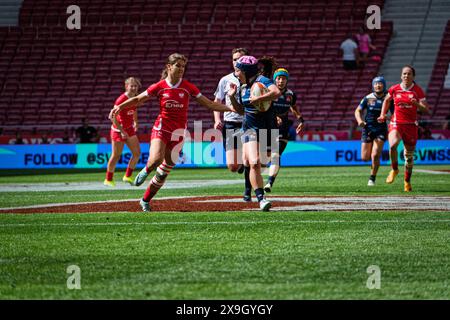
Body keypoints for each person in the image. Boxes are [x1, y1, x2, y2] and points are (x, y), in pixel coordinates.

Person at [109, 53, 233, 212]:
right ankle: (146, 170)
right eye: (178, 66)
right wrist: (120, 106)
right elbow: (138, 99)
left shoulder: (188, 87)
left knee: (164, 171)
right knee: (155, 160)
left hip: (179, 133)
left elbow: (209, 104)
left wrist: (230, 108)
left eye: (183, 66)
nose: (181, 69)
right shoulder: (159, 86)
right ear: (169, 67)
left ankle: (145, 200)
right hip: (162, 128)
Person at [228, 55, 281, 211]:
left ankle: (247, 171)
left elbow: (276, 92)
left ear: (246, 71)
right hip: (250, 128)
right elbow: (241, 111)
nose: (236, 73)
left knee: (263, 162)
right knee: (255, 162)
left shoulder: (262, 80)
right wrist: (232, 98)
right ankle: (261, 198)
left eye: (238, 70)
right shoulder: (242, 86)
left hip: (268, 128)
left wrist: (259, 98)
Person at [377, 65, 430, 192]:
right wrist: (383, 114)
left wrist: (416, 104)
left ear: (413, 76)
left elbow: (426, 109)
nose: (406, 76)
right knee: (392, 145)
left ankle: (407, 181)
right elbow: (386, 101)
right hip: (397, 123)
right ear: (401, 76)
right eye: (404, 74)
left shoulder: (418, 91)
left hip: (411, 125)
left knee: (409, 157)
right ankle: (394, 169)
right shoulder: (394, 89)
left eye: (409, 74)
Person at [213, 48, 249, 199]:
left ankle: (248, 192)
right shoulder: (225, 80)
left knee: (250, 159)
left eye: (240, 59)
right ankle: (240, 166)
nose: (237, 62)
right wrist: (217, 120)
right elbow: (217, 101)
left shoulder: (253, 80)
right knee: (233, 167)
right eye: (234, 59)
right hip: (230, 123)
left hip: (248, 122)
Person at [264, 68, 304, 192]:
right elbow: (262, 108)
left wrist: (300, 119)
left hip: (283, 127)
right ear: (275, 79)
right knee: (265, 157)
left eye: (284, 79)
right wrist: (274, 117)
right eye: (279, 78)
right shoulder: (268, 92)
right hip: (267, 126)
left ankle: (269, 182)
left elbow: (294, 107)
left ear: (287, 80)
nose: (281, 81)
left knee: (276, 155)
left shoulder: (290, 95)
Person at [104, 77, 143, 187]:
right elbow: (112, 117)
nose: (134, 88)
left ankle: (127, 176)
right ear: (126, 87)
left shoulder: (135, 98)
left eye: (135, 86)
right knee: (116, 155)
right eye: (132, 86)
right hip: (117, 130)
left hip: (129, 129)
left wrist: (135, 121)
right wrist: (121, 131)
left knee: (137, 153)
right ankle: (108, 179)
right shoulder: (121, 99)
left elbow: (134, 110)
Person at [354, 76, 388, 186]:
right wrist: (360, 121)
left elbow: (394, 114)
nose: (378, 85)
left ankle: (372, 178)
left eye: (380, 83)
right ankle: (373, 165)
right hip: (367, 128)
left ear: (384, 85)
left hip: (381, 129)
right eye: (376, 83)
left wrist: (386, 117)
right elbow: (357, 110)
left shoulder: (388, 98)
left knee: (375, 155)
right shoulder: (368, 98)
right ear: (373, 85)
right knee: (365, 158)